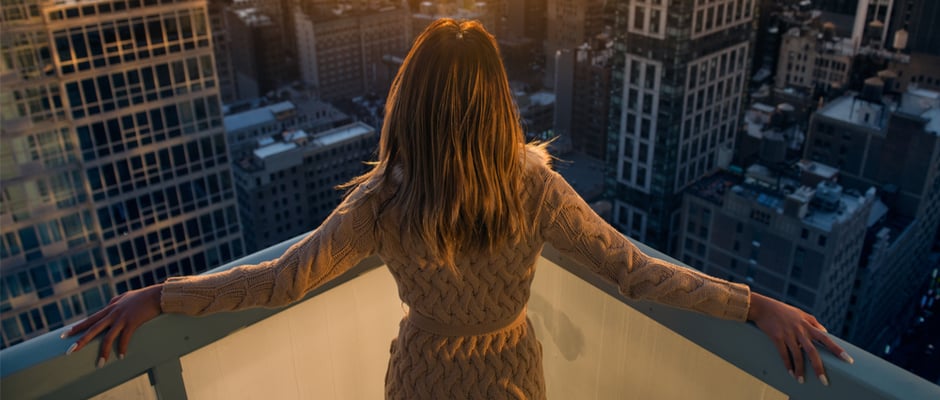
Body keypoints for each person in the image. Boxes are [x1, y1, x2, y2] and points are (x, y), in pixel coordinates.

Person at [62, 18, 853, 399]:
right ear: (494, 102)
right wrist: (757, 307)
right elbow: (637, 273)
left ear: (413, 98)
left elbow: (279, 281)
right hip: (511, 375)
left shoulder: (385, 201)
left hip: (421, 379)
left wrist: (160, 296)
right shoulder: (534, 185)